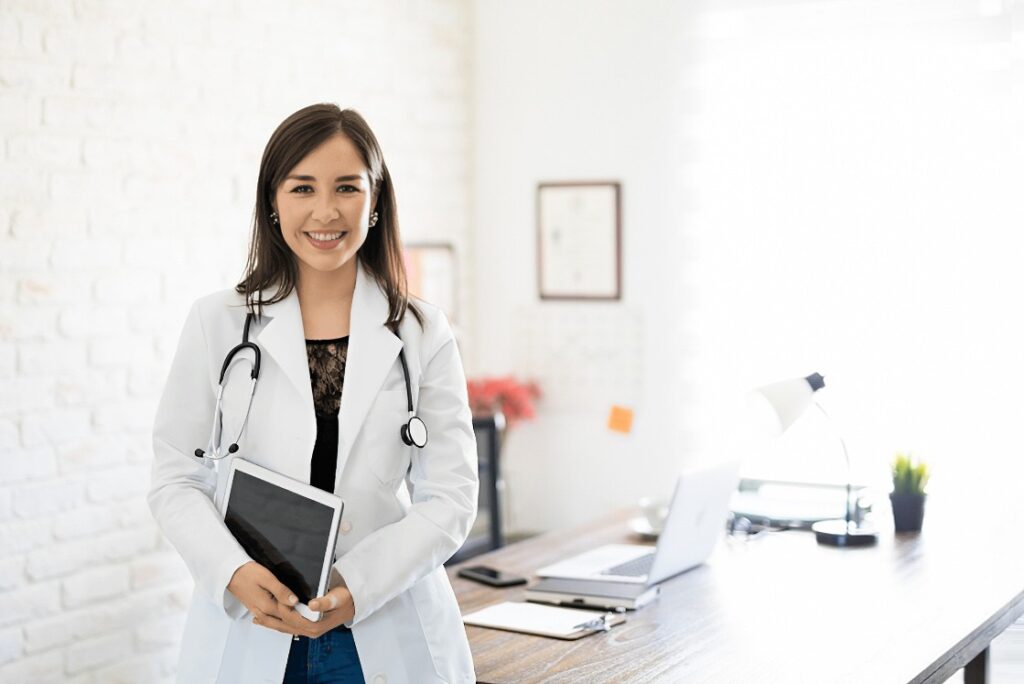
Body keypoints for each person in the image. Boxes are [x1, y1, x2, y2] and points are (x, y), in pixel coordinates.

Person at [148, 103, 479, 683]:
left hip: (380, 626)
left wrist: (359, 584)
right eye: (303, 187)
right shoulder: (217, 323)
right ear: (273, 202)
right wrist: (231, 571)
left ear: (375, 203)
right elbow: (176, 478)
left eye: (347, 188)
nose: (325, 211)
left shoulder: (422, 331)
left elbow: (450, 497)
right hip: (252, 624)